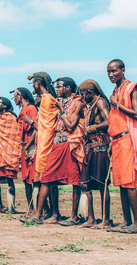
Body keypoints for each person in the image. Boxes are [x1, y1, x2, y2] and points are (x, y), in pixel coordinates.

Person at [106, 59, 137, 234]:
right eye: (109, 72)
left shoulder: (131, 87)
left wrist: (116, 103)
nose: (111, 75)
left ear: (123, 70)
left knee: (129, 182)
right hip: (117, 141)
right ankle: (127, 221)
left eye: (114, 71)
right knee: (120, 182)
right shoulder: (116, 90)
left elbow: (136, 113)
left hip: (127, 140)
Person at [77, 79, 112, 229]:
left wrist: (92, 128)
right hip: (90, 147)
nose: (82, 97)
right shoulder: (90, 106)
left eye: (83, 94)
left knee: (101, 183)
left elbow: (109, 121)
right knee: (85, 183)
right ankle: (91, 219)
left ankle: (106, 220)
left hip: (100, 147)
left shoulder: (100, 102)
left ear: (90, 92)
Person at [28, 72, 61, 223]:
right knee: (47, 180)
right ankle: (50, 213)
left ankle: (43, 214)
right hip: (43, 142)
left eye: (33, 82)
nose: (33, 86)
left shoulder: (47, 100)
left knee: (47, 179)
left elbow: (47, 125)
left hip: (47, 143)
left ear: (38, 82)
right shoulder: (45, 99)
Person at [54, 77, 85, 226]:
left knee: (74, 180)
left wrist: (61, 110)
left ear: (68, 88)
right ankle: (55, 214)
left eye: (59, 86)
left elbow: (71, 126)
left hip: (71, 142)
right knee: (50, 177)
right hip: (57, 142)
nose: (57, 89)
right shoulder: (59, 102)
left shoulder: (77, 103)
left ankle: (74, 216)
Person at [12, 88, 38, 216]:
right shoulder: (22, 111)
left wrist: (27, 146)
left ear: (21, 96)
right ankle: (31, 209)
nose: (14, 99)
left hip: (32, 146)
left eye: (15, 96)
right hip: (24, 147)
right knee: (26, 179)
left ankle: (40, 210)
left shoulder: (31, 108)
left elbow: (35, 129)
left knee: (34, 178)